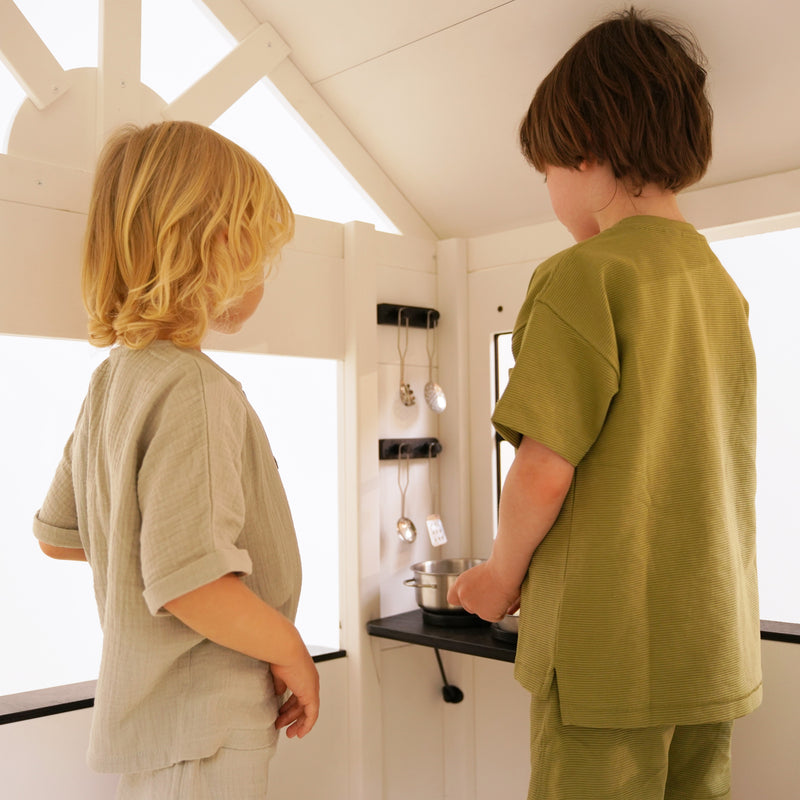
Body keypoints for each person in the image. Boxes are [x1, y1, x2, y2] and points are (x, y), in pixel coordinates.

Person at [449, 8, 761, 799]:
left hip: (604, 650)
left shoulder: (581, 277)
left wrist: (496, 576)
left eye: (545, 172)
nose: (550, 192)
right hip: (710, 643)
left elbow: (545, 467)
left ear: (586, 154)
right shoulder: (720, 291)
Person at [34, 120, 319, 798]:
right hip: (208, 722)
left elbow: (60, 537)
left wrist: (150, 547)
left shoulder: (114, 379)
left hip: (155, 725)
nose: (264, 276)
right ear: (220, 247)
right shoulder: (195, 387)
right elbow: (189, 585)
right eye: (262, 253)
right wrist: (289, 649)